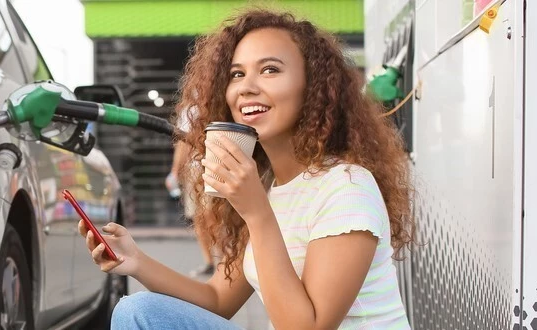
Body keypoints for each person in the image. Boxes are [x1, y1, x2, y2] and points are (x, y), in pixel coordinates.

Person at [78, 8, 414, 330]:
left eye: (270, 70)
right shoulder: (270, 187)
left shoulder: (346, 187)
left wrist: (257, 212)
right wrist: (136, 261)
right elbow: (217, 298)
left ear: (313, 86)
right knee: (138, 311)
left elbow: (307, 328)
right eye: (237, 74)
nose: (246, 86)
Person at [166, 105, 216, 277]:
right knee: (201, 218)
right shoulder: (190, 108)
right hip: (197, 168)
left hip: (206, 168)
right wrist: (176, 171)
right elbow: (182, 142)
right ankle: (211, 261)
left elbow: (182, 142)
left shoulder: (199, 107)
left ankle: (222, 260)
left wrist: (174, 172)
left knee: (209, 216)